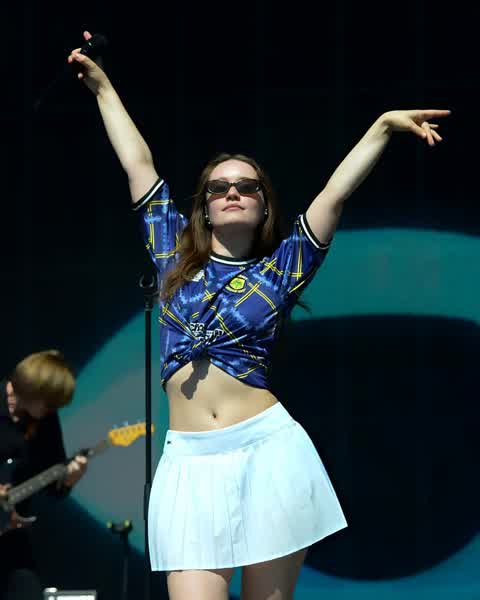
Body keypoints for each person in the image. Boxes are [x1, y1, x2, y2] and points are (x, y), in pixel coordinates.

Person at [68, 30, 450, 600]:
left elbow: (333, 195)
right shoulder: (171, 253)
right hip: (189, 463)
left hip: (268, 453)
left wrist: (381, 127)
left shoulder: (282, 268)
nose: (232, 192)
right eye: (219, 187)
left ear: (264, 203)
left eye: (246, 187)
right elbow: (138, 163)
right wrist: (102, 88)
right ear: (202, 206)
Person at [0, 350, 88, 600]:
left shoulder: (45, 421)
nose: (53, 409)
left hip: (11, 536)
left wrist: (69, 480)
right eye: (50, 403)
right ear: (33, 389)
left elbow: (52, 485)